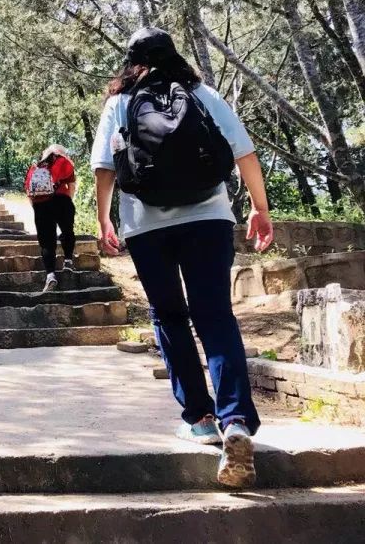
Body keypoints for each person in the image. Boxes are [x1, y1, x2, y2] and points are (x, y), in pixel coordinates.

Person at [92, 26, 274, 489]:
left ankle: (199, 418)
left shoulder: (119, 104)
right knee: (214, 316)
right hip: (209, 217)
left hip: (147, 226)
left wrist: (104, 220)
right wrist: (259, 208)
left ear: (133, 64)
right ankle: (235, 421)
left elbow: (104, 167)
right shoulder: (201, 93)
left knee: (169, 316)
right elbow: (244, 152)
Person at [24, 144, 77, 292]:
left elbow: (29, 191)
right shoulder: (63, 162)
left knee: (46, 241)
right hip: (62, 200)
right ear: (60, 153)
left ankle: (50, 275)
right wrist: (68, 200)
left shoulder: (35, 167)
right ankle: (67, 261)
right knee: (67, 231)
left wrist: (36, 207)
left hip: (41, 205)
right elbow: (71, 185)